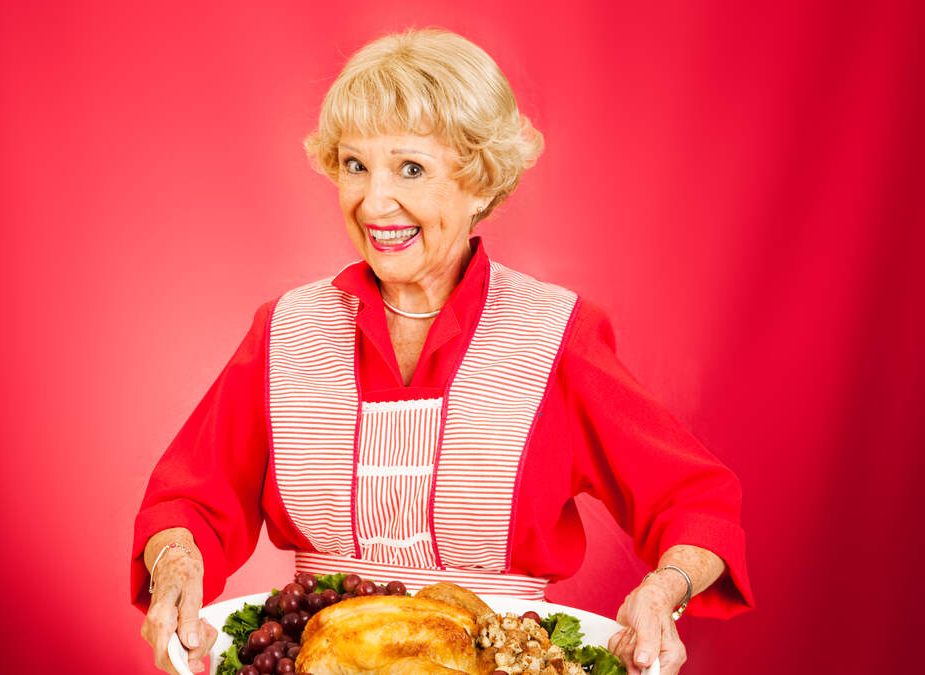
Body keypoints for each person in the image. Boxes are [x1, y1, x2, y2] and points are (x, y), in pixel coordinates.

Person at [133, 28, 753, 675]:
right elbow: (190, 501)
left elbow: (694, 503)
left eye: (411, 168)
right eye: (355, 165)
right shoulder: (286, 328)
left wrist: (664, 590)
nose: (374, 202)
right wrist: (177, 564)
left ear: (480, 182)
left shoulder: (556, 332)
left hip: (499, 659)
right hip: (315, 652)